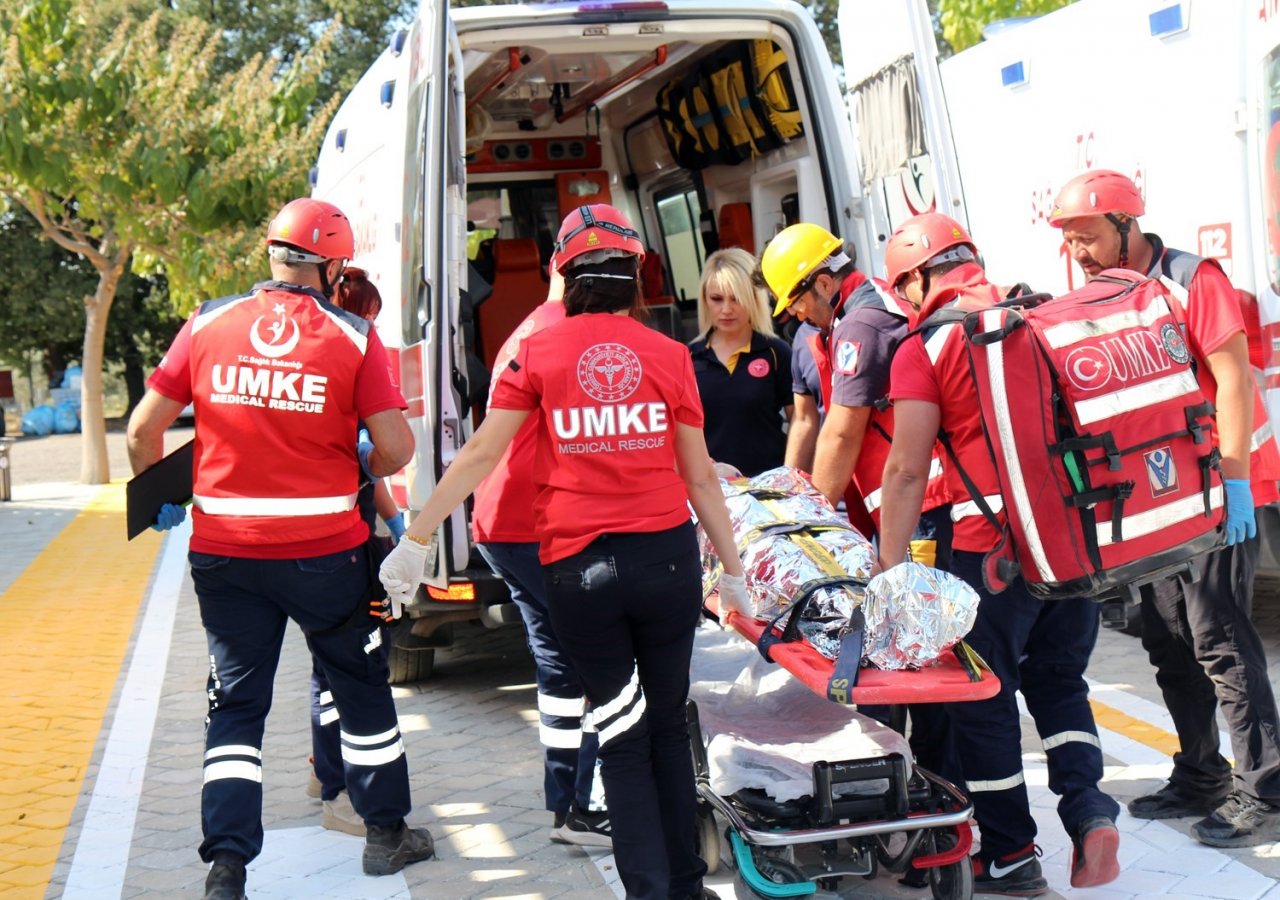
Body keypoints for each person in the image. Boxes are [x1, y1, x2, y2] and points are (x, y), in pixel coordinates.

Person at [379, 203, 746, 900]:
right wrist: (731, 571)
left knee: (621, 732)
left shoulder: (536, 352)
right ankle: (688, 887)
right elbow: (698, 475)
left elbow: (483, 451)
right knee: (668, 726)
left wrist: (418, 536)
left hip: (581, 572)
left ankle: (647, 890)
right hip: (667, 562)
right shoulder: (670, 355)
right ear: (636, 276)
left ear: (564, 275)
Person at [126, 198, 431, 900]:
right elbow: (394, 448)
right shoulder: (352, 337)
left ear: (272, 255)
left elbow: (145, 429)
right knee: (359, 691)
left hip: (224, 557)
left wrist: (161, 493)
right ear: (331, 266)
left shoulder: (205, 322)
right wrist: (348, 450)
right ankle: (386, 834)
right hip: (325, 558)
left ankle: (227, 865)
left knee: (235, 706)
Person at [877, 213, 1120, 896]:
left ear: (917, 278)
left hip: (989, 554)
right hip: (1069, 540)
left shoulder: (924, 345)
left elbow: (904, 468)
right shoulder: (1038, 310)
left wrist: (889, 567)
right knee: (1061, 684)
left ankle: (1011, 852)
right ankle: (1089, 807)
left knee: (983, 699)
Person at [1050, 169, 1280, 847]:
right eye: (1072, 243)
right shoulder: (1100, 292)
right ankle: (1201, 772)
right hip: (1156, 496)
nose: (1080, 254)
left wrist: (1234, 482)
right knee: (1167, 636)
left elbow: (1233, 378)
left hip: (1218, 485)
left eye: (1089, 238)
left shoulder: (1190, 278)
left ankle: (1265, 786)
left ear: (1127, 225)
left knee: (1220, 637)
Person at [472, 267, 611, 848]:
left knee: (557, 666)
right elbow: (587, 436)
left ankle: (566, 804)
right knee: (600, 663)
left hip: (502, 522)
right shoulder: (566, 337)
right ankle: (589, 805)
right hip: (534, 523)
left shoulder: (536, 323)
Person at [307, 267, 404, 836]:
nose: (372, 327)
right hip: (343, 543)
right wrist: (392, 527)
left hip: (341, 535)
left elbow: (374, 472)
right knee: (349, 671)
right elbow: (380, 459)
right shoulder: (350, 356)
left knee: (327, 668)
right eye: (369, 315)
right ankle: (340, 791)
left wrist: (394, 522)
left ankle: (323, 772)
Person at [761, 225, 864, 474]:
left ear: (825, 284)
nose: (795, 313)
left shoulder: (866, 323)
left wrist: (822, 502)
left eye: (796, 302)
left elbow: (843, 433)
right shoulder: (805, 337)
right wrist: (790, 490)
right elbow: (805, 419)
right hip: (847, 491)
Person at [688, 247, 793, 476]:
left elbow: (802, 423)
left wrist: (791, 477)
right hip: (713, 491)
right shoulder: (687, 358)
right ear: (705, 300)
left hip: (770, 487)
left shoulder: (777, 352)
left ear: (754, 298)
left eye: (736, 299)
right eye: (717, 299)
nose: (726, 309)